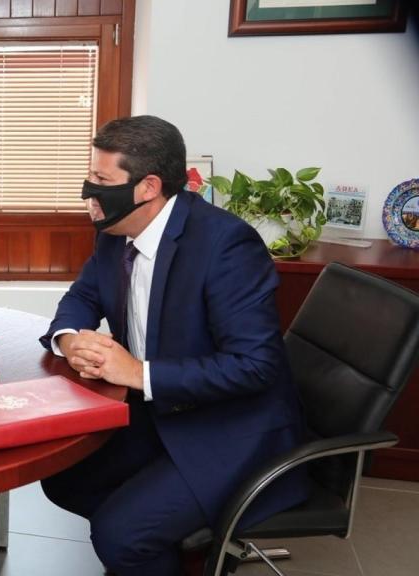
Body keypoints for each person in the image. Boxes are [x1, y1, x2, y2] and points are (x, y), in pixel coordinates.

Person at [39, 116, 309, 575]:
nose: (89, 192)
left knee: (121, 534)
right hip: (158, 413)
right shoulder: (116, 230)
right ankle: (163, 554)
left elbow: (255, 365)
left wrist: (136, 373)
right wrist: (70, 339)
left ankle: (139, 544)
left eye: (102, 180)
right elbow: (83, 296)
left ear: (148, 187)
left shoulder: (225, 245)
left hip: (230, 427)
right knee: (64, 479)